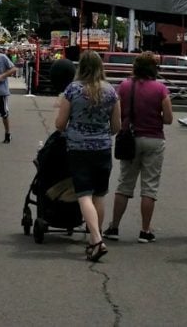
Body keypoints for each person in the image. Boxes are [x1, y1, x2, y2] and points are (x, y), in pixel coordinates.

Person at [55, 50, 121, 263]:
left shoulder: (73, 90)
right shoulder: (111, 91)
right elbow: (117, 126)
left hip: (78, 147)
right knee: (99, 195)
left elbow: (60, 123)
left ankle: (97, 239)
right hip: (102, 147)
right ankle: (95, 235)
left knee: (83, 194)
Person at [103, 52, 174, 243]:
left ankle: (114, 227)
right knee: (149, 187)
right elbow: (168, 119)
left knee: (125, 184)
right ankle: (145, 231)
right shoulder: (161, 89)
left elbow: (114, 112)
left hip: (129, 138)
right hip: (154, 139)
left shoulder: (124, 86)